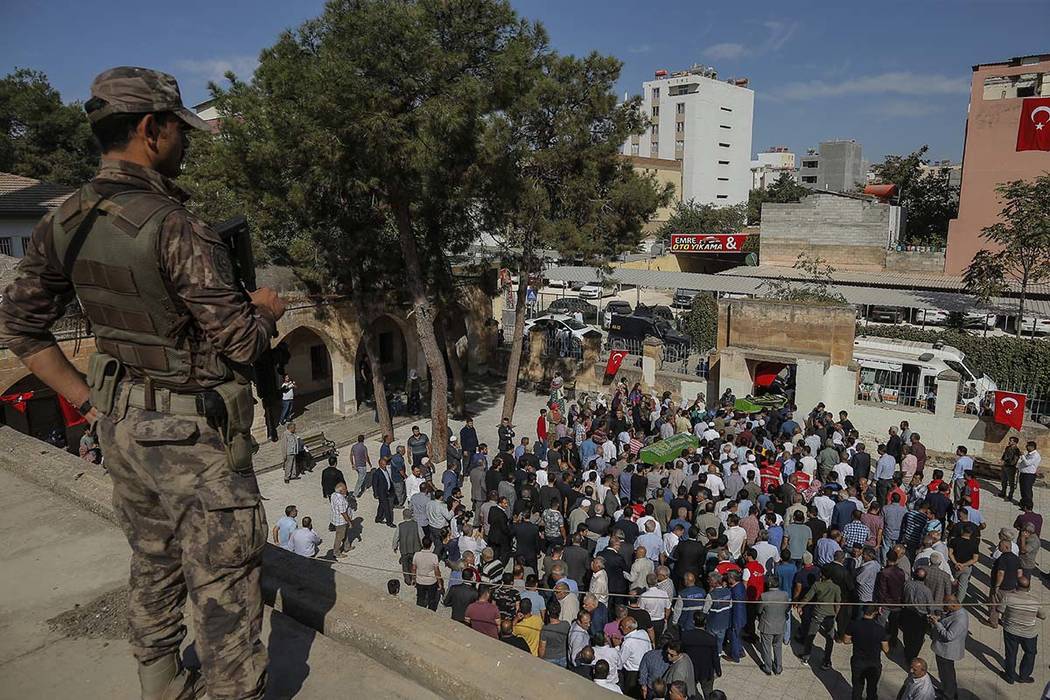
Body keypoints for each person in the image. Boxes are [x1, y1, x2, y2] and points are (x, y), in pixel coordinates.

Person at [0, 66, 291, 699]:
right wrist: (266, 307)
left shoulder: (64, 220)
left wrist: (88, 401)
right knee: (224, 584)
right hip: (193, 437)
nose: (184, 144)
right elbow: (240, 343)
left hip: (124, 429)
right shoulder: (177, 225)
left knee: (153, 560)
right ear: (149, 129)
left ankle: (160, 684)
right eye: (178, 131)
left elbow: (22, 327)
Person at [1000, 574, 1044, 684]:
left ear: (1016, 585)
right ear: (1029, 588)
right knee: (1030, 653)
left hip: (1011, 630)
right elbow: (1043, 616)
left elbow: (1000, 609)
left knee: (1011, 653)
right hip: (1029, 633)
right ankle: (1024, 676)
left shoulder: (1008, 597)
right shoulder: (1035, 601)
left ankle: (1009, 676)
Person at [843, 605, 889, 700]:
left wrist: (856, 640)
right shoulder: (880, 629)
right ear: (875, 612)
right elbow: (886, 649)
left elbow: (846, 641)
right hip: (873, 664)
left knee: (857, 688)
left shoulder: (853, 624)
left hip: (858, 662)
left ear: (863, 610)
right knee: (872, 689)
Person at [929, 595, 968, 700]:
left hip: (947, 651)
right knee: (945, 673)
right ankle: (947, 690)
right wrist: (940, 618)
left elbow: (949, 636)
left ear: (954, 605)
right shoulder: (956, 611)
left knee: (947, 674)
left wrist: (937, 624)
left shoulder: (960, 619)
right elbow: (948, 617)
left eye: (946, 605)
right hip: (943, 650)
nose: (944, 607)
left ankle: (948, 695)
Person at [758, 573, 790, 676]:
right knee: (778, 647)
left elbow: (759, 610)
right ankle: (778, 667)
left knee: (767, 648)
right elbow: (787, 608)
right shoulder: (785, 594)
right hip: (780, 625)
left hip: (767, 625)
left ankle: (768, 668)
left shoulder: (764, 596)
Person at [394, 508, 422, 585]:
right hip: (415, 549)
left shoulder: (400, 526)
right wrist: (423, 545)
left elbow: (396, 538)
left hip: (404, 549)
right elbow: (421, 536)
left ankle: (408, 580)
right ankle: (415, 579)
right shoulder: (416, 524)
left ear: (403, 516)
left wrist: (394, 546)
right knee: (414, 565)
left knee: (405, 566)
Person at [330, 482, 353, 558]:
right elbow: (343, 513)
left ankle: (347, 546)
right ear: (341, 491)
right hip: (341, 521)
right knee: (339, 537)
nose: (346, 490)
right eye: (345, 489)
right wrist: (349, 522)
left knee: (345, 533)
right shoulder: (341, 500)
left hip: (336, 518)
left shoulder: (333, 495)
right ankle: (336, 552)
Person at [372, 456, 395, 527]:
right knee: (387, 507)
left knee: (381, 505)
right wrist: (375, 494)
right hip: (381, 493)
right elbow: (374, 484)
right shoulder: (377, 473)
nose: (385, 466)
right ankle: (389, 522)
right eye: (383, 464)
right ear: (380, 464)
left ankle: (378, 518)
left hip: (386, 491)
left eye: (385, 464)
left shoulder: (385, 470)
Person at [1018, 441, 1041, 510]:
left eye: (1027, 446)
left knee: (1027, 490)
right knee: (1023, 489)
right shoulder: (1029, 454)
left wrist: (1022, 455)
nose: (1026, 447)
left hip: (1029, 475)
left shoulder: (1036, 455)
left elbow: (1027, 463)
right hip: (1023, 474)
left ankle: (1028, 506)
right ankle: (1023, 503)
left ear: (1032, 447)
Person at [350, 433, 372, 498]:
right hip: (362, 465)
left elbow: (351, 455)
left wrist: (352, 464)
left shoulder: (353, 446)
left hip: (356, 465)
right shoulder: (364, 447)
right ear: (363, 440)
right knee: (360, 480)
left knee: (361, 477)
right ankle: (355, 493)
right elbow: (366, 457)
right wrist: (369, 463)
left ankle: (363, 487)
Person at [1001, 436, 1022, 501]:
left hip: (1011, 467)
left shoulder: (1016, 450)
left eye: (1011, 441)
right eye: (1010, 440)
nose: (1009, 442)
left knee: (1011, 482)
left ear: (1015, 442)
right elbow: (1004, 455)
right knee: (1003, 481)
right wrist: (1002, 459)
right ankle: (1003, 492)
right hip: (1005, 466)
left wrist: (1009, 463)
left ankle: (1010, 495)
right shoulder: (1007, 448)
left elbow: (1015, 460)